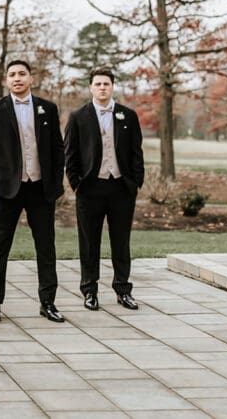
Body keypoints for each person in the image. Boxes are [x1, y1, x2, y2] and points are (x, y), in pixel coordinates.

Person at [0, 60, 66, 324]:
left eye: (22, 74)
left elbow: (57, 149)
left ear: (31, 78)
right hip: (7, 189)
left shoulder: (47, 109)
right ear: (6, 80)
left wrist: (56, 182)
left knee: (46, 247)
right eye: (12, 75)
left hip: (40, 189)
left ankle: (48, 302)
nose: (17, 78)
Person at [64, 68, 144, 311]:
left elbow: (136, 152)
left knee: (121, 242)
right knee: (89, 243)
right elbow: (71, 154)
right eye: (97, 84)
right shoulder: (78, 116)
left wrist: (135, 182)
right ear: (90, 87)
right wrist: (77, 183)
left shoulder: (128, 116)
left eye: (106, 84)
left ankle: (123, 289)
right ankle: (90, 290)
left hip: (121, 188)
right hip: (90, 189)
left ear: (112, 87)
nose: (102, 88)